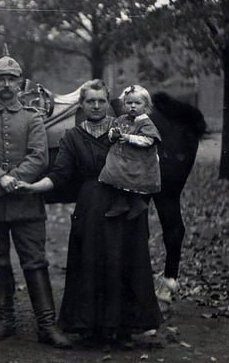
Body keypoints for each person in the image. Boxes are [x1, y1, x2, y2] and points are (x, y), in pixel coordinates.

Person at [18, 79, 161, 348]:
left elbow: (145, 160)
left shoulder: (124, 128)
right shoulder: (72, 137)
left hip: (125, 202)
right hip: (91, 206)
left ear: (109, 103)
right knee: (91, 263)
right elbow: (59, 175)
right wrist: (32, 187)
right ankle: (89, 328)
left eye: (101, 101)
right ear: (81, 105)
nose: (96, 106)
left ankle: (122, 329)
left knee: (123, 262)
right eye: (90, 101)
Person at [0, 54, 71, 348]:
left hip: (26, 202)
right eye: (1, 79)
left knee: (35, 262)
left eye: (12, 79)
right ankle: (5, 321)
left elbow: (40, 156)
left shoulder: (33, 117)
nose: (7, 85)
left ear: (21, 84)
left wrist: (15, 180)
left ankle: (47, 326)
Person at [98, 84, 162, 219]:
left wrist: (129, 138)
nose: (133, 106)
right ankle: (121, 203)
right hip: (122, 157)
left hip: (137, 159)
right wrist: (113, 134)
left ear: (145, 106)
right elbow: (115, 130)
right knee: (114, 174)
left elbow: (148, 140)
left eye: (137, 103)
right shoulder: (122, 119)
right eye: (129, 103)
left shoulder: (145, 123)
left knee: (130, 179)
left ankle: (136, 203)